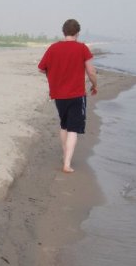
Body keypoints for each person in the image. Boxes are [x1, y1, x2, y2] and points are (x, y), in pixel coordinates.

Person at [38, 18, 98, 173]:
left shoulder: (53, 48)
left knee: (64, 125)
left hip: (59, 95)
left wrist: (53, 77)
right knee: (73, 129)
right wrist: (95, 85)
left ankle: (65, 155)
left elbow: (42, 68)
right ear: (77, 33)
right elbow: (91, 71)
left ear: (63, 32)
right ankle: (67, 164)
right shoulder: (82, 48)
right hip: (76, 94)